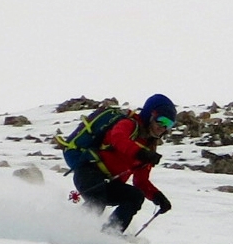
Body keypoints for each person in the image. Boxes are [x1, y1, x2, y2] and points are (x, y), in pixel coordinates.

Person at [73, 93, 176, 233]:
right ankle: (72, 230)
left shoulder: (149, 146)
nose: (163, 127)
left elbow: (141, 181)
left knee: (135, 196)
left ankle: (110, 234)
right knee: (97, 200)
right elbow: (118, 138)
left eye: (169, 124)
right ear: (150, 115)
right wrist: (140, 153)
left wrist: (158, 197)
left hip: (109, 182)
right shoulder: (129, 124)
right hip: (89, 171)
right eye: (161, 120)